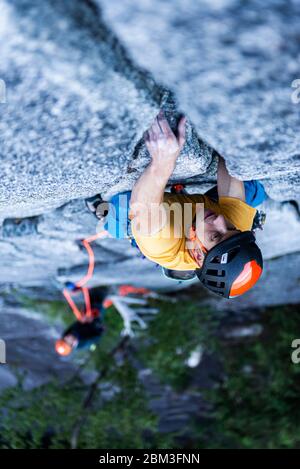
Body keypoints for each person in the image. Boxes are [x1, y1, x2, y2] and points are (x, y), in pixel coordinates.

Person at [88, 110, 267, 299]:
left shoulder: (163, 245)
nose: (221, 220)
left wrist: (164, 161)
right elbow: (229, 162)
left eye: (215, 236)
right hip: (191, 211)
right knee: (253, 190)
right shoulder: (234, 228)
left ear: (198, 256)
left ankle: (102, 211)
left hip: (154, 219)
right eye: (231, 228)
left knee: (121, 211)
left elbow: (142, 205)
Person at [55, 287, 106, 357]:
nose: (67, 337)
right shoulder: (84, 343)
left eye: (64, 339)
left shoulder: (66, 334)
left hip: (85, 320)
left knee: (89, 301)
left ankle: (91, 291)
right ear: (72, 344)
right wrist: (93, 322)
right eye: (67, 341)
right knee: (97, 302)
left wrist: (82, 320)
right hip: (95, 324)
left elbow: (75, 325)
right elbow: (98, 335)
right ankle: (103, 291)